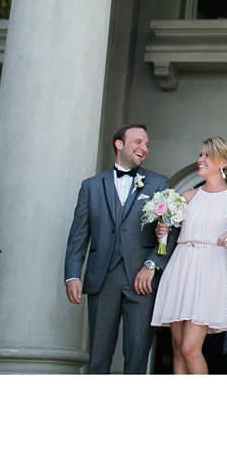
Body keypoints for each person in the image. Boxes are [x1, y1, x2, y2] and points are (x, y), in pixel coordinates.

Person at [63, 123, 168, 374]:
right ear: (119, 145)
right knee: (98, 354)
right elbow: (79, 235)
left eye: (147, 144)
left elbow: (169, 233)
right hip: (103, 277)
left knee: (137, 353)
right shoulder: (91, 186)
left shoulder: (158, 183)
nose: (144, 148)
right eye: (138, 142)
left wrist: (152, 264)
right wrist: (72, 274)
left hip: (141, 279)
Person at [150, 137, 227, 374]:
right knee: (177, 347)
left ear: (222, 161)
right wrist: (161, 230)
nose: (200, 160)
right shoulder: (187, 196)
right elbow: (169, 236)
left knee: (190, 348)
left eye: (206, 155)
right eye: (201, 154)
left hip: (210, 269)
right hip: (181, 265)